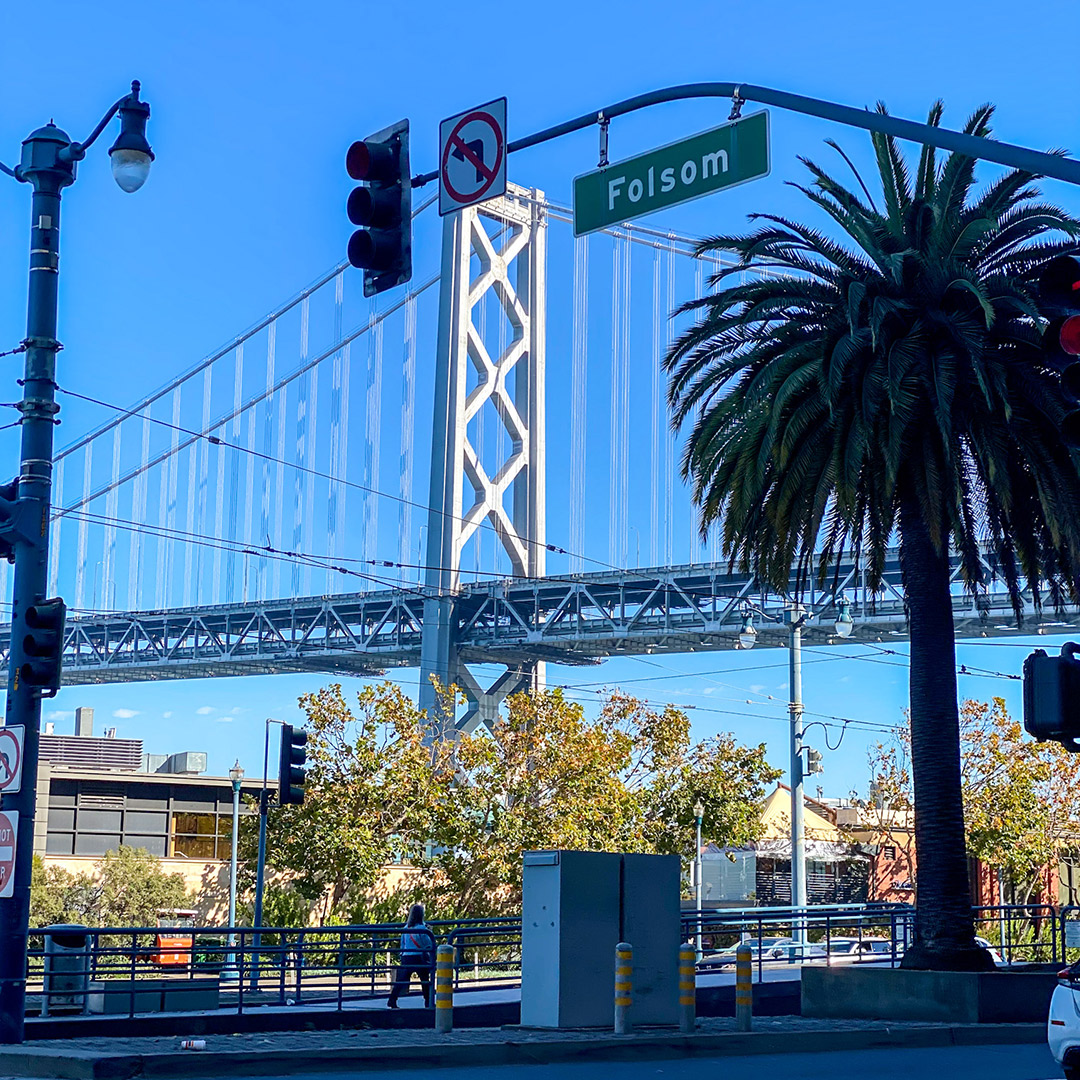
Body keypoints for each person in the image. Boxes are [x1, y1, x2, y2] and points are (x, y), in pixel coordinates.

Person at [387, 903, 434, 1008]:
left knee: (402, 980)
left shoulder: (406, 927)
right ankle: (428, 1001)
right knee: (425, 980)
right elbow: (428, 944)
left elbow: (402, 944)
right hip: (418, 957)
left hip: (406, 956)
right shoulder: (423, 929)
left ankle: (392, 999)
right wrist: (430, 931)